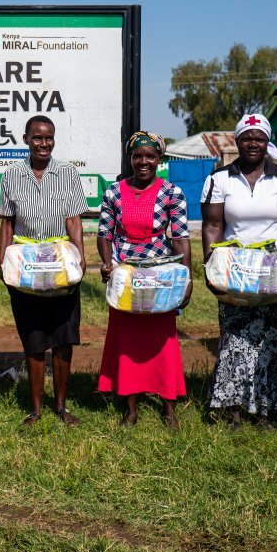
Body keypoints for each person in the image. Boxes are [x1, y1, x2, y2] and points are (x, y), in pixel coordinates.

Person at [201, 113, 277, 428]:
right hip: (235, 272)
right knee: (235, 341)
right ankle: (234, 409)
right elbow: (212, 226)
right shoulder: (219, 179)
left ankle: (266, 411)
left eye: (259, 138)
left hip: (275, 272)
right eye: (246, 137)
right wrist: (210, 268)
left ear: (267, 141)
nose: (253, 143)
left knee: (274, 341)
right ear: (237, 140)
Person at [97, 131, 192, 429]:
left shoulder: (172, 193)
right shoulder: (113, 192)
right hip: (125, 274)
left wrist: (186, 277)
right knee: (128, 340)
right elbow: (104, 234)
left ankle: (169, 407)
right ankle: (131, 408)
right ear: (130, 158)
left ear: (159, 159)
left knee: (163, 340)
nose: (143, 161)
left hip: (160, 275)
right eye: (138, 155)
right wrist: (106, 263)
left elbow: (180, 238)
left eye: (150, 156)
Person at [0, 115, 88, 426]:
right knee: (34, 339)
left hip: (60, 262)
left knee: (63, 338)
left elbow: (74, 219)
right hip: (26, 265)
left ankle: (60, 407)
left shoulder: (68, 173)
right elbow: (7, 222)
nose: (44, 143)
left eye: (49, 138)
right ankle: (35, 409)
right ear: (25, 139)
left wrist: (80, 255)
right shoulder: (11, 175)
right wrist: (2, 259)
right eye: (37, 138)